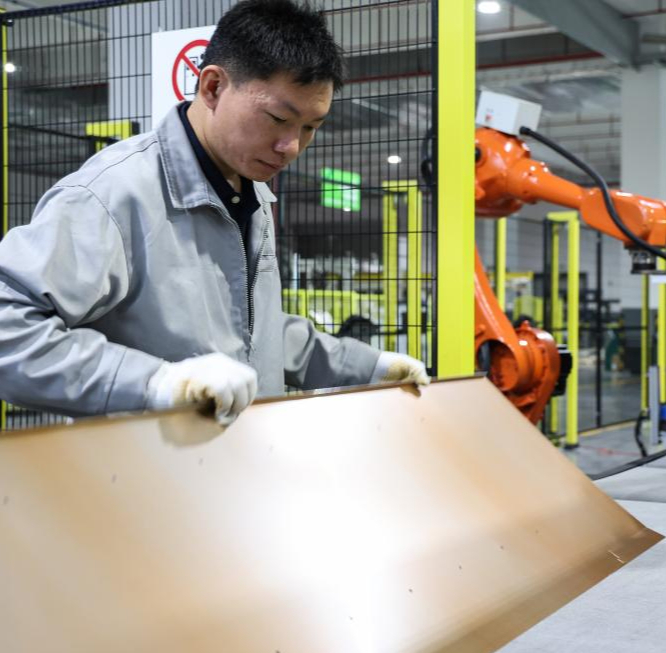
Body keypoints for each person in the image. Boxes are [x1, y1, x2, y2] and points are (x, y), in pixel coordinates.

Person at [0, 0, 428, 426]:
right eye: (277, 118)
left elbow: (253, 333)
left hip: (239, 459)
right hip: (141, 464)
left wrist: (364, 366)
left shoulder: (251, 194)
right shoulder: (112, 195)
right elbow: (10, 335)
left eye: (310, 127)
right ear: (213, 87)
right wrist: (155, 383)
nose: (292, 146)